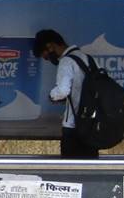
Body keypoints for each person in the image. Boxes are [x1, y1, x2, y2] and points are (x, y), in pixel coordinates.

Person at [32, 29, 99, 160]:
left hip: (74, 127)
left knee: (70, 173)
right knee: (90, 171)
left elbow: (62, 91)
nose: (47, 59)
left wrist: (52, 96)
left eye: (45, 56)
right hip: (91, 126)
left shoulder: (66, 62)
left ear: (50, 46)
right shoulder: (90, 59)